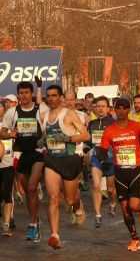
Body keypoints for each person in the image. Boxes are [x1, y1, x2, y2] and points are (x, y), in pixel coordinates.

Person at [96, 98, 140, 252]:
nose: (121, 111)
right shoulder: (110, 130)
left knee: (133, 205)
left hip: (135, 169)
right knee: (125, 207)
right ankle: (134, 238)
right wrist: (103, 159)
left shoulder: (138, 127)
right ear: (114, 110)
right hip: (119, 171)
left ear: (128, 110)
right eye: (118, 108)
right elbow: (102, 149)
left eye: (124, 108)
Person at [40, 85, 90, 249]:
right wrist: (43, 141)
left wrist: (67, 138)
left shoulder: (69, 114)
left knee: (69, 199)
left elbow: (85, 135)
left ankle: (77, 204)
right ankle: (55, 235)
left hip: (69, 160)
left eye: (54, 95)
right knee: (53, 198)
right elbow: (46, 136)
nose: (51, 98)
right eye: (49, 96)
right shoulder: (44, 115)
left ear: (61, 97)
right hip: (52, 160)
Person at [0, 81, 46, 242]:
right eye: (21, 93)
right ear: (18, 95)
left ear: (31, 94)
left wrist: (45, 140)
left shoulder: (41, 110)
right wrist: (11, 134)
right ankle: (35, 220)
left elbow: (49, 128)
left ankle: (33, 224)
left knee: (33, 187)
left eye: (26, 93)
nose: (23, 96)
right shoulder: (12, 112)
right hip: (20, 154)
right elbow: (2, 132)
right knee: (28, 192)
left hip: (38, 153)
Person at [87, 96, 117, 228]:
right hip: (96, 158)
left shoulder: (113, 123)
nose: (100, 109)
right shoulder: (92, 123)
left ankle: (112, 202)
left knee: (110, 189)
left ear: (108, 108)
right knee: (96, 185)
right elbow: (88, 141)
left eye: (103, 106)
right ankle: (98, 215)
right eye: (97, 106)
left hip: (110, 158)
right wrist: (85, 150)